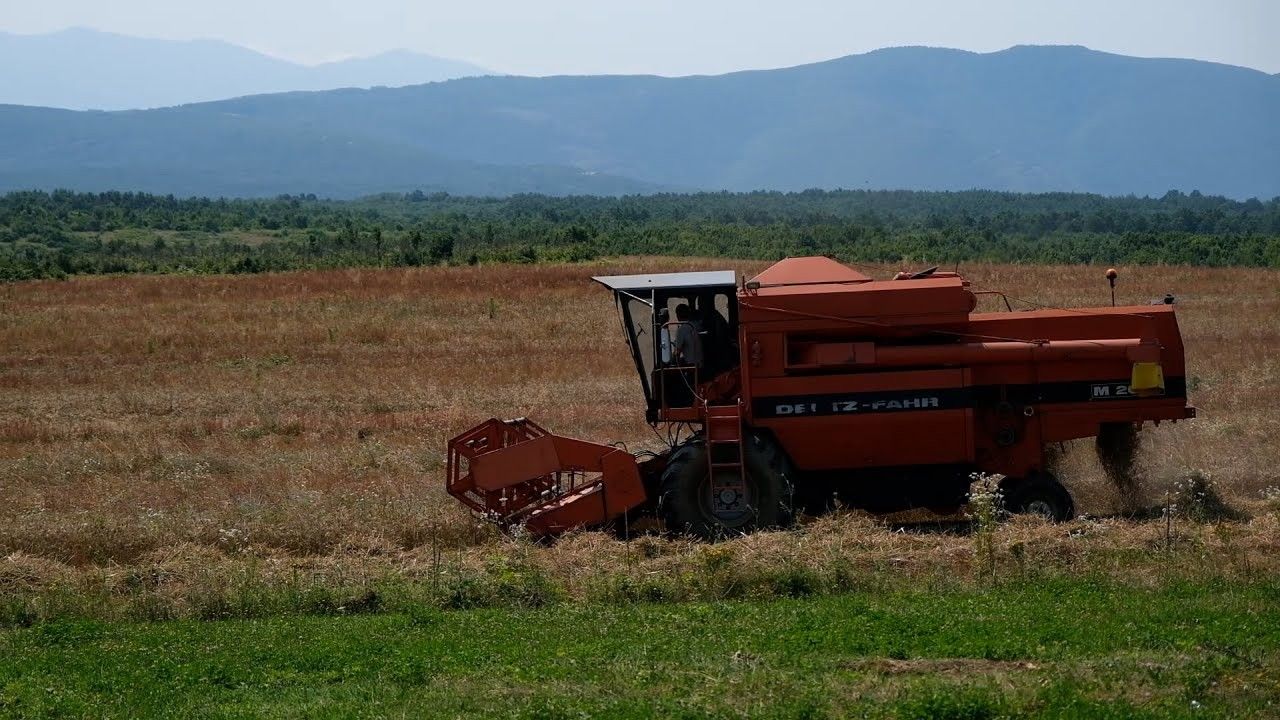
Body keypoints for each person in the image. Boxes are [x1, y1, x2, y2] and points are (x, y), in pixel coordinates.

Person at [672, 303, 702, 367]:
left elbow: (677, 352)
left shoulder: (681, 330)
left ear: (678, 316)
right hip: (701, 364)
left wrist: (672, 362)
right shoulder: (697, 325)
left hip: (690, 367)